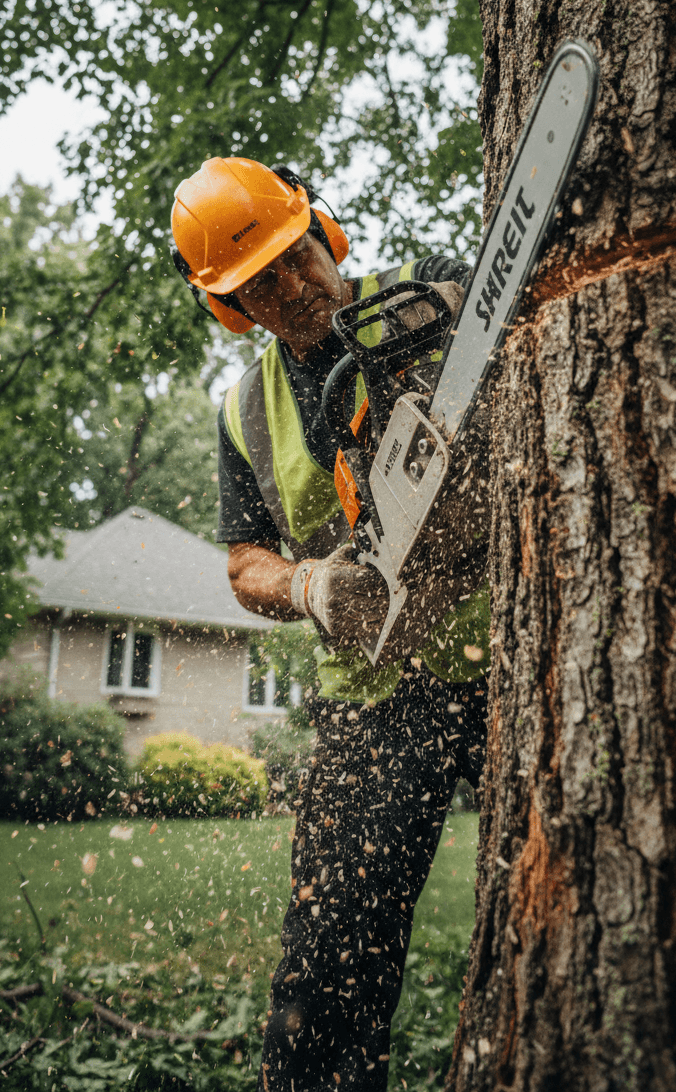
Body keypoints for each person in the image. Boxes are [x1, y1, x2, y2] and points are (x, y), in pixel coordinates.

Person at [171, 155, 491, 1090]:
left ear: (327, 232)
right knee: (328, 961)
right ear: (231, 310)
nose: (293, 286)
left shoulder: (436, 299)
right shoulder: (243, 413)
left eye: (296, 255)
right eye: (258, 284)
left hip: (504, 648)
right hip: (373, 692)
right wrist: (311, 588)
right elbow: (242, 563)